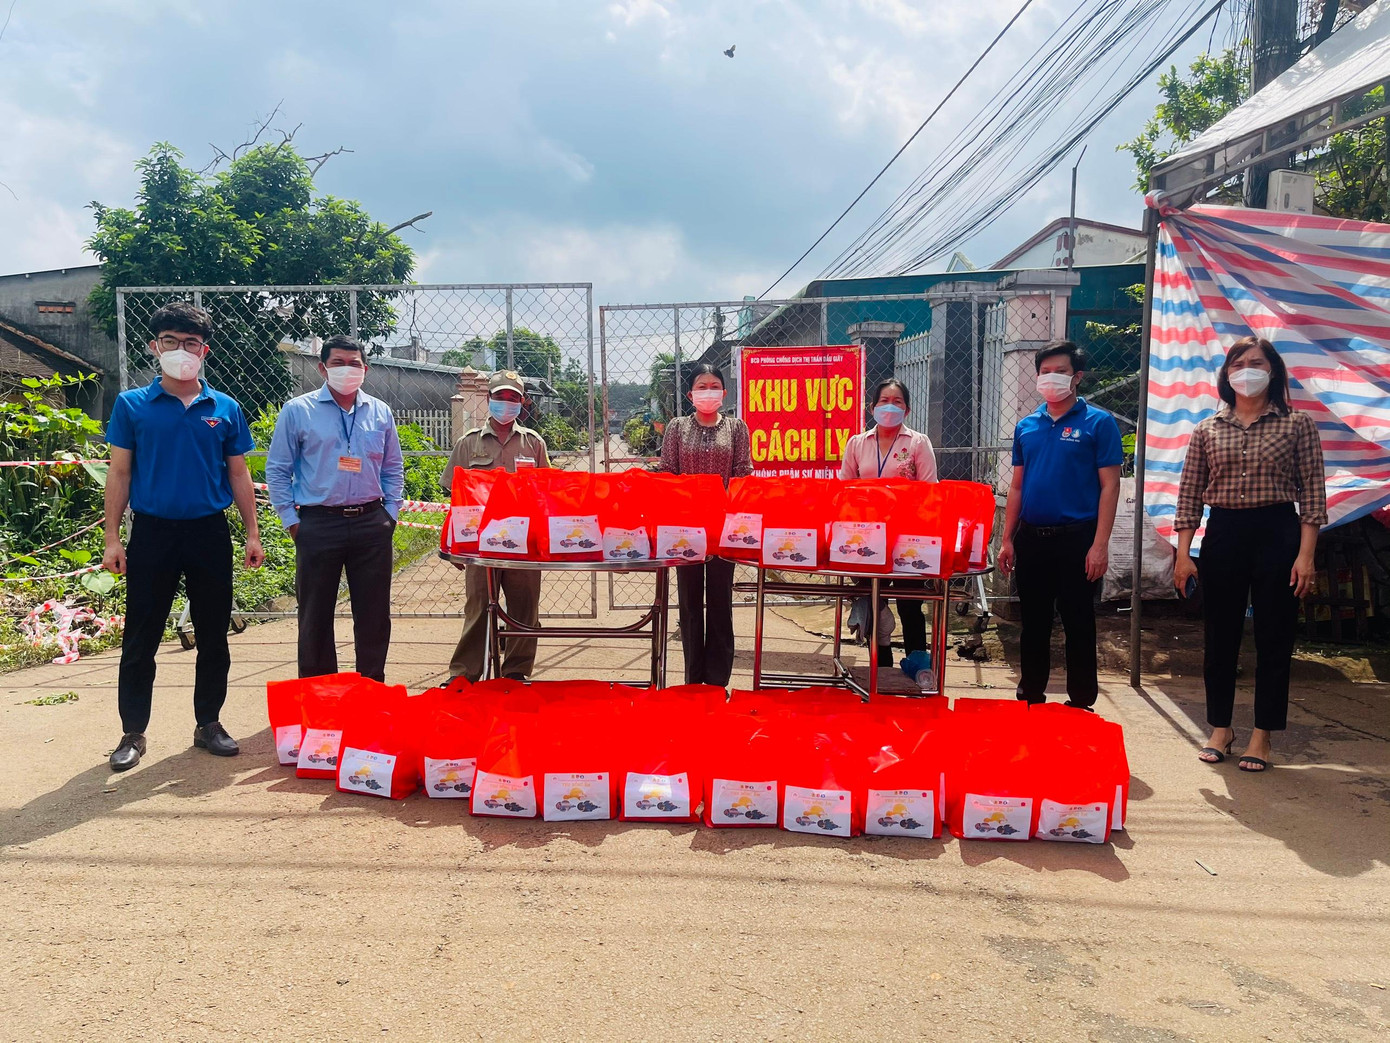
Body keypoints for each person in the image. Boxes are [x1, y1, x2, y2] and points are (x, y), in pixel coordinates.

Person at [102, 301, 264, 772]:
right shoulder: (132, 405)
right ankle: (133, 731)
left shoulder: (224, 407)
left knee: (214, 633)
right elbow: (119, 473)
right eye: (170, 341)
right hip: (153, 533)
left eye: (190, 343)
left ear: (204, 351)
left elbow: (238, 474)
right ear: (154, 347)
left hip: (208, 532)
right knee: (141, 635)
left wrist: (252, 532)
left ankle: (208, 723)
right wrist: (112, 539)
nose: (180, 350)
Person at [1173, 336, 1325, 773]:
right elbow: (1189, 496)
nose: (1246, 371)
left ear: (1273, 371)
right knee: (1219, 635)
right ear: (1226, 374)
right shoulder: (1207, 429)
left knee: (1274, 636)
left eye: (1256, 363)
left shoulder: (1297, 424)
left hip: (1277, 532)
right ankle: (1220, 728)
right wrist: (1184, 554)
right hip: (1224, 533)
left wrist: (1305, 556)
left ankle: (1263, 735)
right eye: (1237, 364)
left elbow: (1313, 495)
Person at [266, 335, 403, 682]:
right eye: (338, 363)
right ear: (322, 367)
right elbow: (278, 469)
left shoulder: (380, 412)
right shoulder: (298, 410)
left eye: (354, 363)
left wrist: (390, 514)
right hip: (318, 523)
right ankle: (319, 692)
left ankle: (370, 688)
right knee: (314, 615)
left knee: (374, 615)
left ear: (365, 369)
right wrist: (291, 520)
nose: (347, 369)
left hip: (371, 523)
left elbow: (392, 467)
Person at [997, 340, 1122, 710]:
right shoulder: (1027, 426)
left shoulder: (1099, 423)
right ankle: (1030, 696)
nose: (1051, 378)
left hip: (1078, 540)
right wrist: (1007, 539)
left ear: (1077, 376)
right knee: (1033, 622)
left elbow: (1110, 486)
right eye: (1045, 371)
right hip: (1032, 538)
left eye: (1061, 371)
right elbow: (1017, 486)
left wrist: (1099, 545)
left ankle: (1081, 701)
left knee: (1078, 621)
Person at [444, 370, 550, 681]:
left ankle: (516, 671)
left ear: (523, 402)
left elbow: (546, 493)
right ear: (489, 399)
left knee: (524, 608)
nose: (506, 403)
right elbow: (455, 497)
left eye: (512, 398)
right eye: (500, 397)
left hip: (524, 542)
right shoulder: (468, 443)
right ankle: (465, 673)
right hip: (480, 543)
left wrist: (543, 540)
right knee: (478, 606)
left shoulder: (533, 444)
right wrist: (454, 544)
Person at [658, 363, 753, 687]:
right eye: (702, 386)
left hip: (723, 529)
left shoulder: (737, 428)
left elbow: (742, 475)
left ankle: (716, 680)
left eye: (714, 386)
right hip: (685, 528)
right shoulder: (677, 428)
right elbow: (667, 472)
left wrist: (735, 518)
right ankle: (692, 678)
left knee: (720, 600)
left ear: (724, 393)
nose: (708, 392)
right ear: (691, 394)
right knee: (689, 602)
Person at [839, 378, 938, 666]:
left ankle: (918, 665)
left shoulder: (918, 442)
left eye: (897, 402)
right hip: (867, 537)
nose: (890, 407)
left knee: (910, 603)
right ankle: (880, 667)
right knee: (874, 601)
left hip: (908, 536)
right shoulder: (857, 443)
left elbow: (929, 490)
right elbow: (844, 489)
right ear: (872, 408)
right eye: (884, 401)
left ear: (907, 410)